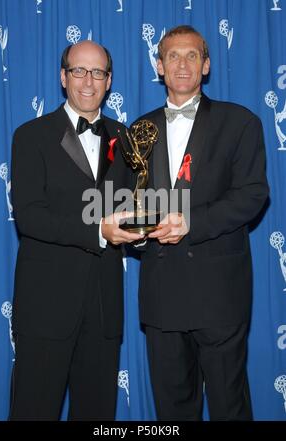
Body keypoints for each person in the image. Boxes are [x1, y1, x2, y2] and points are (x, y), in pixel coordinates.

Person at [137, 25, 269, 420]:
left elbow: (252, 195)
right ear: (159, 66)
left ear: (206, 65)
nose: (182, 64)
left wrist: (189, 222)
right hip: (162, 296)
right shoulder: (137, 132)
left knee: (230, 406)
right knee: (172, 412)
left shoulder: (241, 122)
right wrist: (129, 232)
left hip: (220, 297)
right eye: (172, 56)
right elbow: (130, 204)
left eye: (192, 55)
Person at [9, 40, 142, 421]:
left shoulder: (125, 138)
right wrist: (100, 231)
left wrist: (151, 229)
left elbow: (132, 207)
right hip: (45, 308)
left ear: (109, 80)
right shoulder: (31, 136)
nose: (88, 81)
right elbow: (31, 217)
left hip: (104, 309)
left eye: (98, 72)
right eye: (79, 71)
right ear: (63, 76)